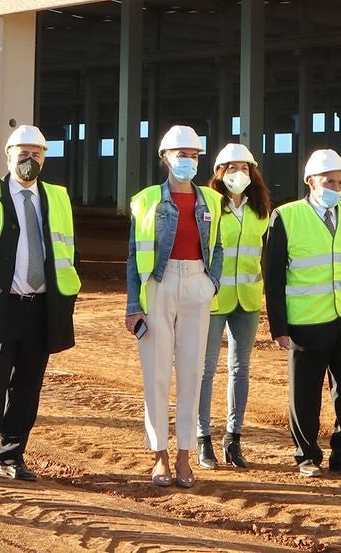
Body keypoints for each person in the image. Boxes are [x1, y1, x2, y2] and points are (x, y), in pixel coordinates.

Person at [0, 125, 80, 484]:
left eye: (38, 153)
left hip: (41, 306)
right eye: (23, 152)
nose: (30, 160)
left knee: (29, 384)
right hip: (0, 305)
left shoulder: (57, 197)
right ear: (8, 154)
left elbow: (66, 249)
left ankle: (12, 455)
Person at [264, 149, 341, 478]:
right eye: (329, 181)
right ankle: (306, 455)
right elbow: (274, 276)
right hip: (307, 321)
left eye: (340, 182)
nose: (336, 187)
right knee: (305, 393)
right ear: (311, 182)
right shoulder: (286, 216)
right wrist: (279, 326)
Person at [125, 125, 224, 489]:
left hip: (197, 284)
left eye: (194, 155)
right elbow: (134, 255)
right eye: (181, 155)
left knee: (191, 374)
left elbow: (220, 247)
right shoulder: (145, 200)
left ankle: (185, 455)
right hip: (158, 286)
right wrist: (133, 305)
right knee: (156, 375)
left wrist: (210, 283)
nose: (188, 161)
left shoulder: (212, 201)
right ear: (165, 158)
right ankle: (159, 457)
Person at [196, 143, 270, 470]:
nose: (238, 174)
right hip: (213, 299)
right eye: (231, 168)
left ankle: (233, 436)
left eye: (244, 168)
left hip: (248, 299)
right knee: (206, 370)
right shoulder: (209, 206)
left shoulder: (261, 211)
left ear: (252, 172)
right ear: (219, 173)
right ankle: (202, 439)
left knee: (240, 370)